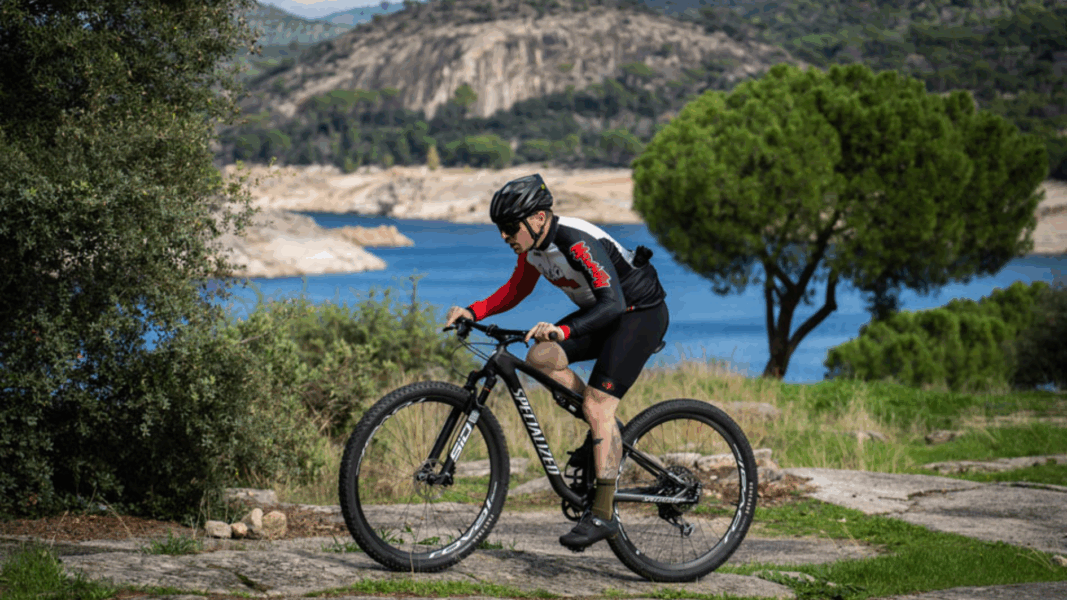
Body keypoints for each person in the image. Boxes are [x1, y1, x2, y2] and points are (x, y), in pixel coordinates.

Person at [443, 173, 669, 551]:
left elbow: (613, 303)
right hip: (604, 314)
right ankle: (606, 429)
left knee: (597, 403)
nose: (504, 236)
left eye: (509, 227)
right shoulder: (532, 250)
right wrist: (473, 311)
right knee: (541, 356)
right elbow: (516, 290)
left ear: (538, 218)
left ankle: (602, 514)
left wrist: (563, 331)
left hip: (637, 313)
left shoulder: (575, 242)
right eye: (499, 229)